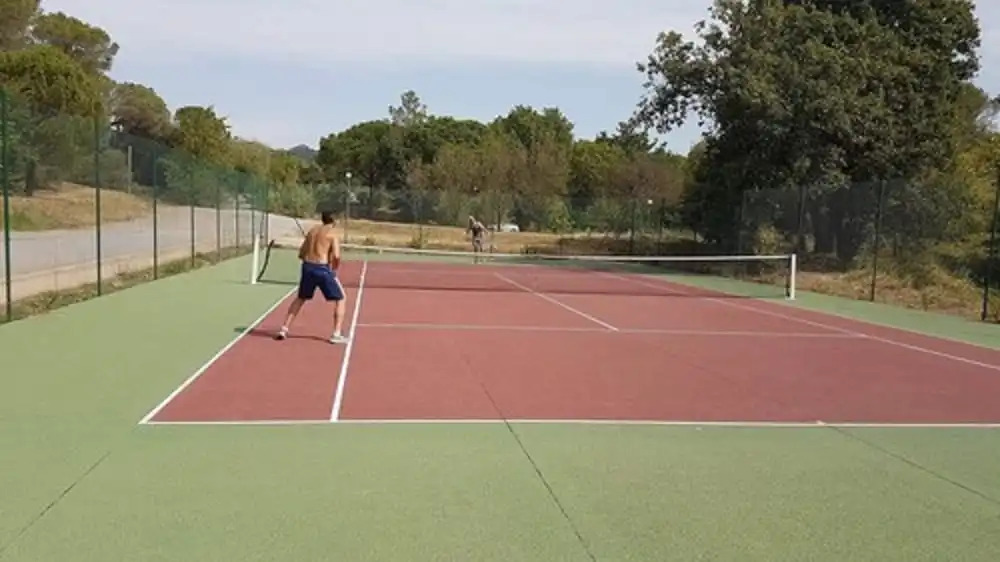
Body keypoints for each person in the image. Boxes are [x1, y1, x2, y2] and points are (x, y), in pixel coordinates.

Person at [274, 211, 348, 344]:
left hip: (307, 267)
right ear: (334, 220)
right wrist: (333, 268)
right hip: (322, 268)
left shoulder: (312, 231)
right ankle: (336, 334)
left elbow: (301, 253)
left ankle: (284, 329)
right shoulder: (333, 234)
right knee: (341, 299)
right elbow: (337, 256)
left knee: (300, 298)